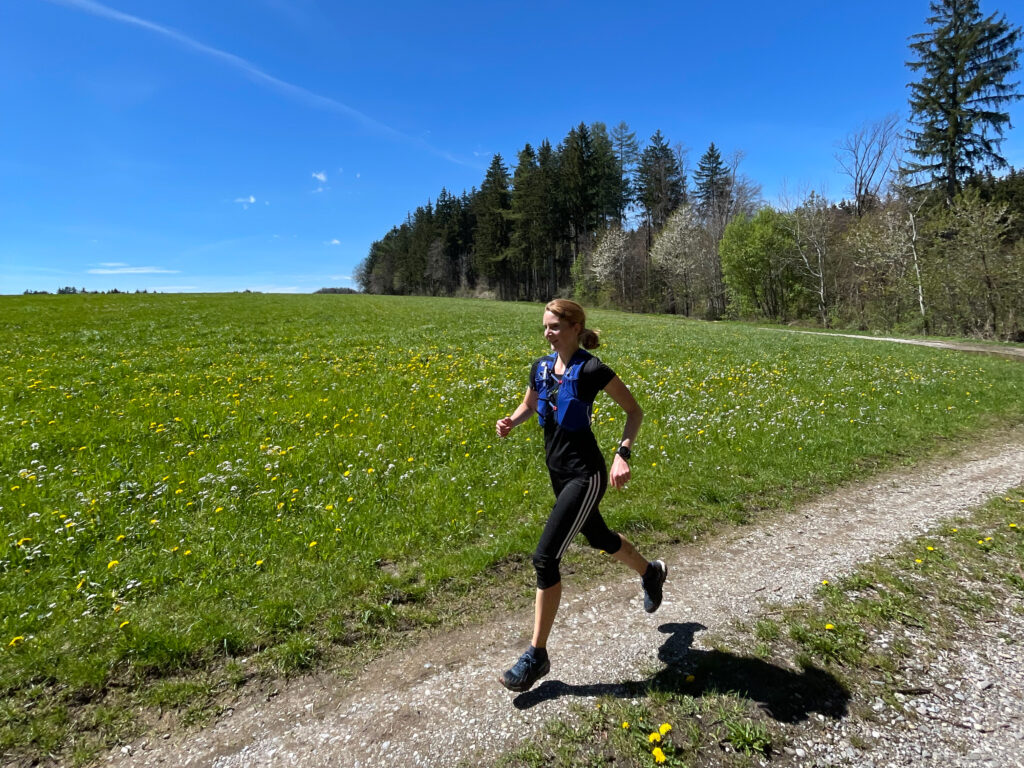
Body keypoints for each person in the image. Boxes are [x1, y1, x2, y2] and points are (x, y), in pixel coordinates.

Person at [495, 299, 667, 693]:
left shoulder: (592, 369)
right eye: (545, 326)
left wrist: (622, 454)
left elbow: (634, 411)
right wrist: (512, 421)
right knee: (602, 540)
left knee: (545, 557)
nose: (547, 333)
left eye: (554, 326)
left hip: (585, 475)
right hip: (557, 474)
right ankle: (651, 572)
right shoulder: (541, 367)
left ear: (575, 327)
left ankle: (537, 655)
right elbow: (530, 404)